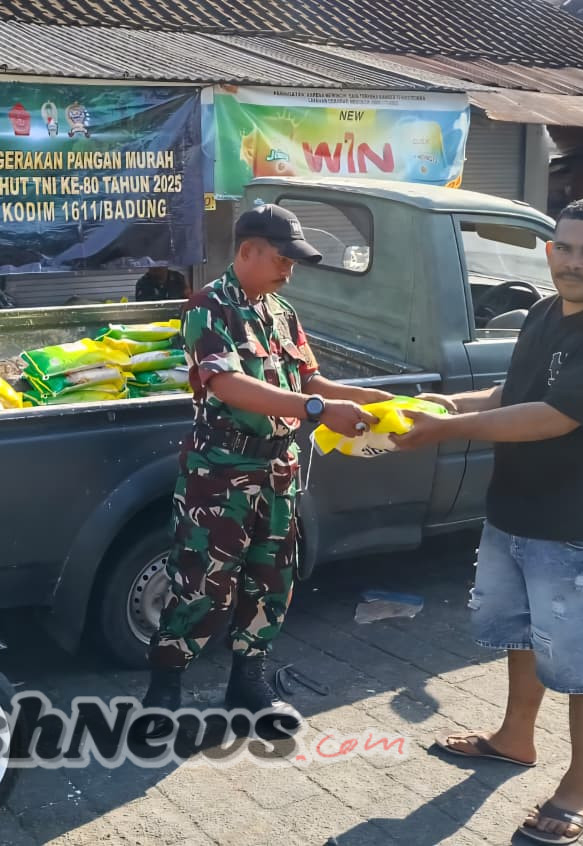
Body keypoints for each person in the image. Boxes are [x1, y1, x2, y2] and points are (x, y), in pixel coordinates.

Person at [393, 199, 583, 845]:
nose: (573, 261)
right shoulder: (544, 311)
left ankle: (580, 788)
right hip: (512, 513)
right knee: (519, 635)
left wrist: (443, 431)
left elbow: (555, 417)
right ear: (549, 250)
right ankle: (514, 740)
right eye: (564, 247)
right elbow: (512, 398)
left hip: (579, 527)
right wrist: (433, 404)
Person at [142, 204, 392, 727]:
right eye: (282, 259)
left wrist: (376, 400)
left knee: (271, 580)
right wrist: (319, 411)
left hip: (278, 471)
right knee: (201, 584)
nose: (289, 270)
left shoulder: (281, 312)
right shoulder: (208, 307)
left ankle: (247, 683)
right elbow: (229, 386)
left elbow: (312, 383)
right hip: (220, 473)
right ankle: (163, 691)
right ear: (247, 251)